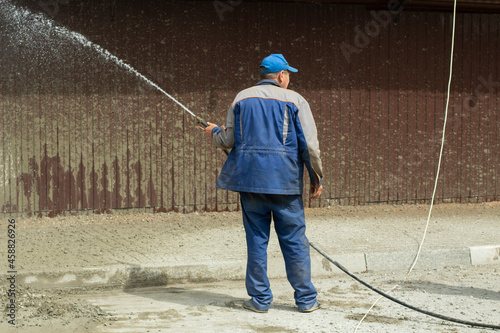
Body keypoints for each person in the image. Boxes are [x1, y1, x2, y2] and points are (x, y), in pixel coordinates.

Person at [201, 54, 323, 313]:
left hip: (251, 182)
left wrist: (214, 131)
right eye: (288, 74)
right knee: (294, 240)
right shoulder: (296, 100)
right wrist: (316, 178)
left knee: (256, 240)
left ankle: (259, 300)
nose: (289, 78)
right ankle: (306, 300)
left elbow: (227, 140)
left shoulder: (241, 98)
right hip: (285, 184)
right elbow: (310, 147)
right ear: (281, 76)